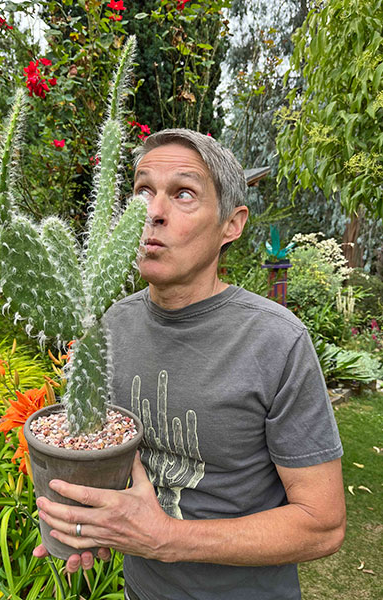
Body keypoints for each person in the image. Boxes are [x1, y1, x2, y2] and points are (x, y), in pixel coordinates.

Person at [33, 129, 346, 600]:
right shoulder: (112, 326)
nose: (152, 212)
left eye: (183, 193)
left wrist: (165, 538)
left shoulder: (276, 342)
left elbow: (322, 525)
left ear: (231, 224)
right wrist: (90, 518)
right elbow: (108, 456)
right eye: (143, 191)